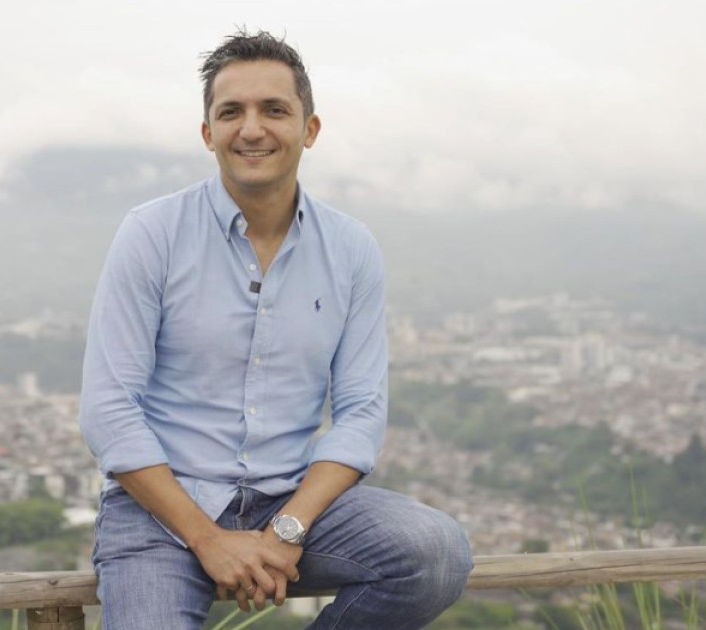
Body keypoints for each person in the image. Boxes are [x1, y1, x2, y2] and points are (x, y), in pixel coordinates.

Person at [78, 30, 474, 629]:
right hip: (160, 513)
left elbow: (362, 412)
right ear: (207, 133)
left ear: (309, 129)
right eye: (230, 112)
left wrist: (289, 527)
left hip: (294, 506)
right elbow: (108, 409)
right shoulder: (153, 233)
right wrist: (208, 539)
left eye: (274, 110)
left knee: (436, 554)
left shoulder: (350, 248)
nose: (251, 129)